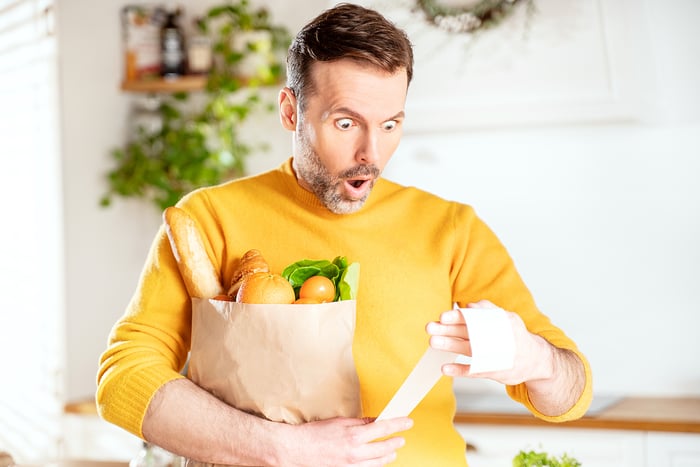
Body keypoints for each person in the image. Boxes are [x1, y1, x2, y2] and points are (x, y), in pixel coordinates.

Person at [97, 3, 592, 466]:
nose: (371, 153)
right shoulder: (209, 219)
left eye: (390, 124)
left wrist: (538, 361)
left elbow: (571, 395)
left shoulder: (452, 229)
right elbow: (122, 379)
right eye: (345, 122)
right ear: (291, 111)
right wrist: (282, 448)